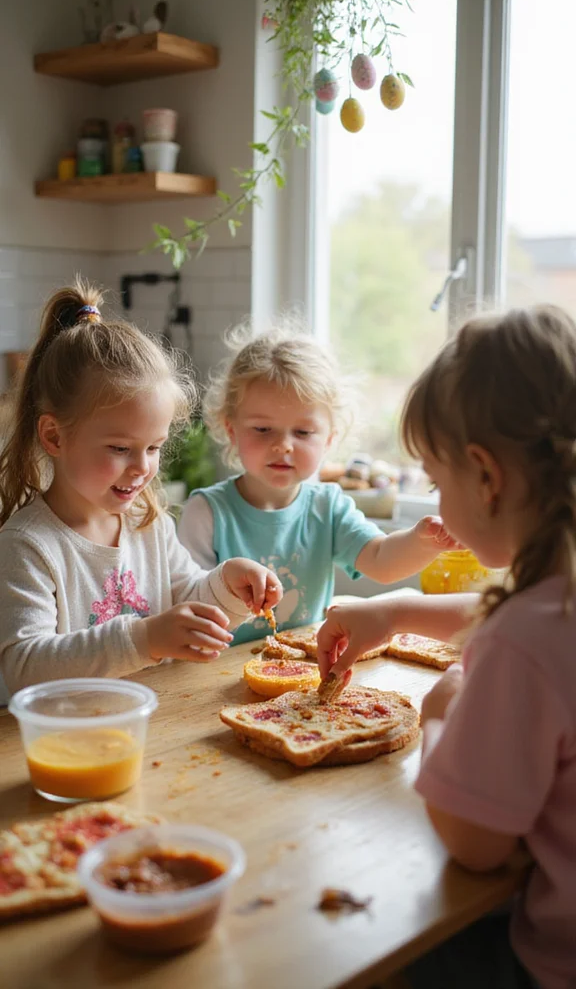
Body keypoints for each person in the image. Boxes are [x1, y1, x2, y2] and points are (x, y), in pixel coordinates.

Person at [317, 304, 576, 989]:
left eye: (436, 479)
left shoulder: (521, 644)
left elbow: (475, 845)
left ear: (486, 477)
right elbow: (514, 618)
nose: (435, 495)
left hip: (551, 966)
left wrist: (440, 714)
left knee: (365, 952)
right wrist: (394, 611)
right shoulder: (555, 603)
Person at [0, 282, 282, 694]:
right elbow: (24, 665)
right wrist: (143, 640)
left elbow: (187, 597)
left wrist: (229, 585)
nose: (142, 467)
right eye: (120, 448)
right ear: (55, 437)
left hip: (149, 725)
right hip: (66, 740)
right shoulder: (28, 545)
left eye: (154, 447)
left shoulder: (147, 524)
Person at [178, 326, 457, 644]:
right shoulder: (205, 513)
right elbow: (188, 605)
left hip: (306, 672)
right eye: (263, 428)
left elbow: (381, 562)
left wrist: (424, 541)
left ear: (329, 439)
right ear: (231, 430)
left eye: (303, 432)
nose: (283, 445)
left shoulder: (329, 506)